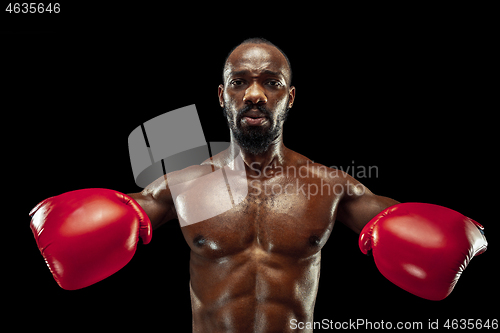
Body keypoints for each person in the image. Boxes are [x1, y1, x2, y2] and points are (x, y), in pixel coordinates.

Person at [30, 38, 487, 333]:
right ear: (222, 95)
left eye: (270, 83)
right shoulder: (182, 186)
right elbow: (128, 210)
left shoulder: (330, 186)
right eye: (239, 82)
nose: (254, 94)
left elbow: (396, 220)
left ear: (289, 97)